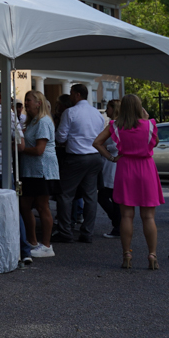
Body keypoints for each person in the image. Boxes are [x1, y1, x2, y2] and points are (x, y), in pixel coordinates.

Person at [92, 94, 163, 269]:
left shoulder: (116, 126)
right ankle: (152, 255)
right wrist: (146, 119)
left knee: (126, 216)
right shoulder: (149, 125)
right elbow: (154, 143)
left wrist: (111, 157)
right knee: (148, 216)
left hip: (125, 168)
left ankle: (127, 255)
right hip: (146, 168)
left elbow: (97, 142)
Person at [53, 83, 106, 244]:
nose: (69, 96)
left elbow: (60, 137)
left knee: (65, 195)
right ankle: (87, 232)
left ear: (77, 94)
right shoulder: (97, 113)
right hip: (95, 156)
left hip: (76, 157)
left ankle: (65, 232)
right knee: (90, 196)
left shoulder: (70, 112)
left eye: (71, 93)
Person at [19, 90, 60, 258]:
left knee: (42, 206)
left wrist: (21, 149)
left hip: (42, 170)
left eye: (29, 100)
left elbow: (39, 150)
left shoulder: (43, 121)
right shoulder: (33, 122)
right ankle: (33, 241)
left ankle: (46, 245)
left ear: (39, 103)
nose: (26, 103)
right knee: (25, 205)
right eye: (26, 100)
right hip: (31, 170)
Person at [98, 99, 122, 239]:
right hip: (110, 164)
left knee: (107, 196)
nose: (106, 110)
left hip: (113, 163)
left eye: (108, 108)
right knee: (110, 196)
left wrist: (105, 147)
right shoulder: (114, 124)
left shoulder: (116, 125)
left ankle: (118, 224)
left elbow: (117, 145)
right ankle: (118, 223)